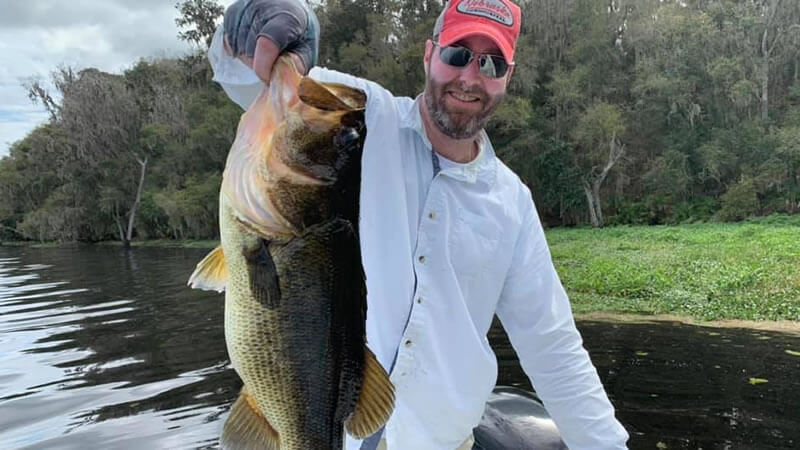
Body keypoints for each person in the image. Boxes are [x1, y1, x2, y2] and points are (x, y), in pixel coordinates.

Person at [209, 0, 630, 449]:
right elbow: (247, 79)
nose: (470, 77)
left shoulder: (513, 203)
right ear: (429, 55)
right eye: (456, 54)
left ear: (508, 75)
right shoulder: (362, 120)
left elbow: (553, 347)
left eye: (491, 62)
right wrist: (266, 27)